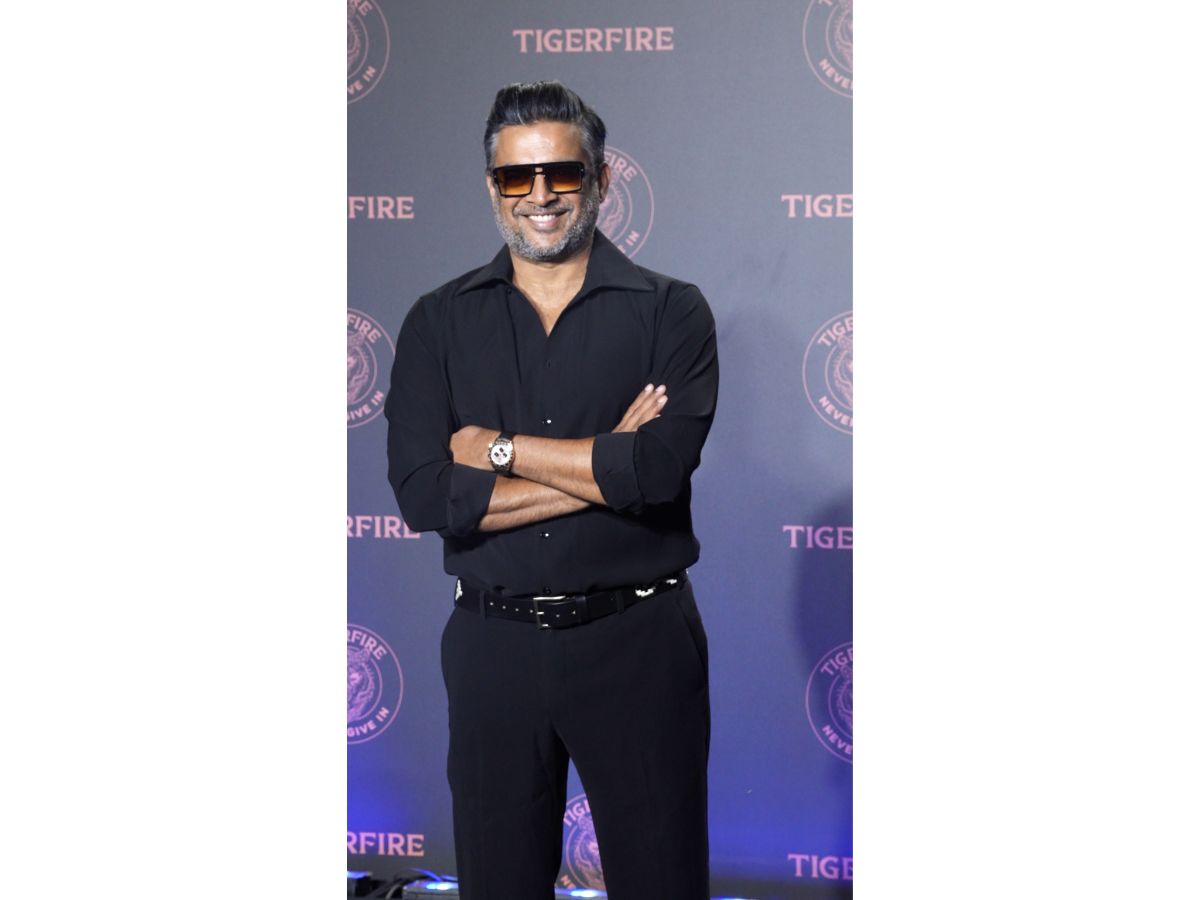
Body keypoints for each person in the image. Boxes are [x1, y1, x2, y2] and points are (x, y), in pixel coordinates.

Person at [384, 80, 718, 900]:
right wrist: (606, 469)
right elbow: (427, 496)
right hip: (491, 650)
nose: (540, 195)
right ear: (491, 187)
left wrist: (497, 450)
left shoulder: (672, 311)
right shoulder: (436, 321)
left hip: (639, 643)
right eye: (516, 177)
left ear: (600, 179)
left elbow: (657, 473)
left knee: (663, 884)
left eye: (561, 173)